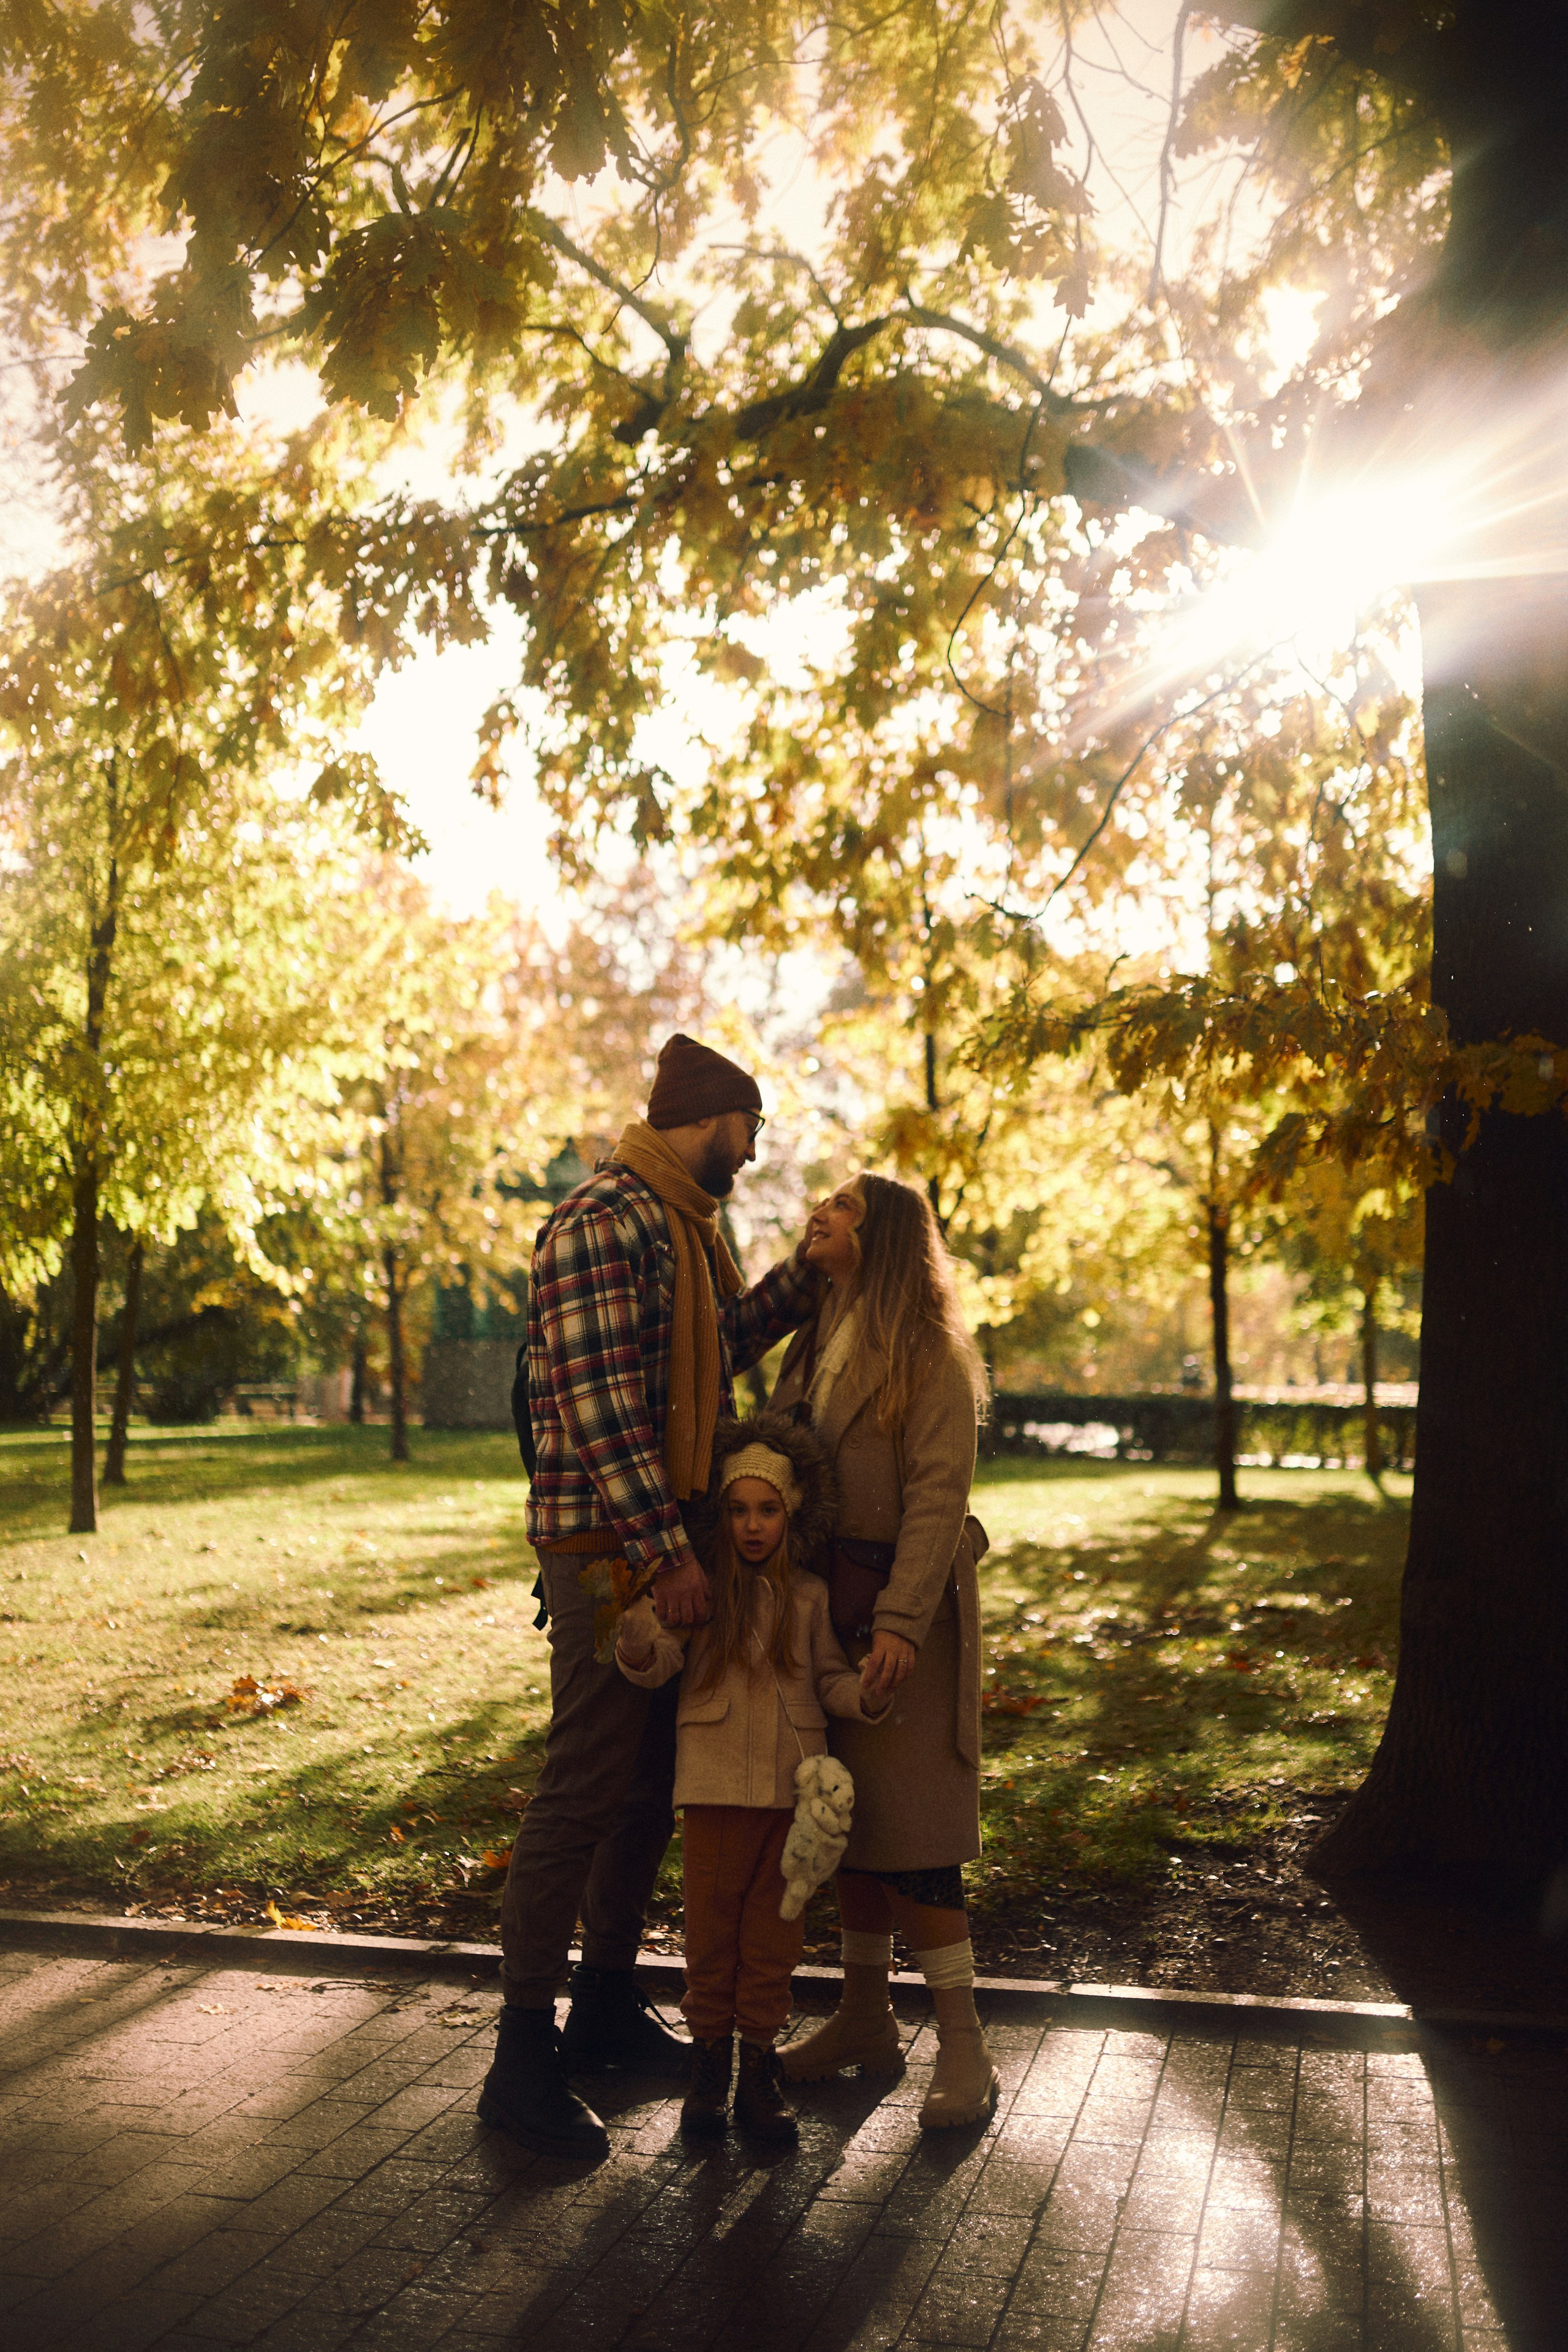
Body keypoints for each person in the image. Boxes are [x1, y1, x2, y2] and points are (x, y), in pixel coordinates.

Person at [478, 1035, 820, 2161]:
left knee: (638, 1797)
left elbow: (711, 1356)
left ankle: (607, 2010)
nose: (756, 1148)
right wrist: (671, 1552)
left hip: (663, 1549)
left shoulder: (681, 1230)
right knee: (581, 1791)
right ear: (710, 1117)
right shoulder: (603, 1221)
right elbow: (597, 1403)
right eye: (750, 1126)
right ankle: (520, 2061)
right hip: (608, 1559)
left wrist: (811, 1284)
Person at [770, 1171, 997, 2128]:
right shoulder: (816, 1337)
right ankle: (866, 2017)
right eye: (821, 1201)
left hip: (903, 1625)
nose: (820, 1211)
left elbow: (939, 1499)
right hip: (826, 1621)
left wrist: (903, 1621)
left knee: (916, 1842)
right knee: (850, 1828)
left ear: (888, 1237)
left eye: (845, 1207)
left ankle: (968, 2049)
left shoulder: (931, 1356)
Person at [614, 1414, 886, 2143]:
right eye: (738, 1510)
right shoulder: (699, 1593)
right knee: (710, 1935)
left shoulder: (808, 1597)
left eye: (767, 1510)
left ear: (791, 1512)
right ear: (720, 1516)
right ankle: (708, 2068)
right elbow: (657, 1659)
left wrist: (861, 1694)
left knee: (773, 1939)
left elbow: (828, 1676)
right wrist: (637, 1635)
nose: (753, 1525)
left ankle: (758, 2070)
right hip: (710, 1791)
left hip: (789, 1797)